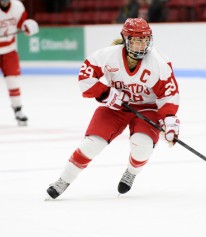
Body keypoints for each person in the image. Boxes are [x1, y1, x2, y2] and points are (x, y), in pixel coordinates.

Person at [46, 18, 180, 199]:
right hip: (115, 107)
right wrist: (106, 94)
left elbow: (168, 95)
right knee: (92, 144)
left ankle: (131, 173)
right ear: (125, 39)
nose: (141, 45)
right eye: (136, 40)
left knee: (142, 146)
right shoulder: (107, 55)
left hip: (147, 109)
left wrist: (170, 122)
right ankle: (63, 180)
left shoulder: (159, 62)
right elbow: (86, 79)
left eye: (144, 40)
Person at [0, 0, 39, 126]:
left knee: (13, 81)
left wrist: (27, 27)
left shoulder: (17, 6)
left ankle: (18, 110)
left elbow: (22, 25)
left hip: (9, 50)